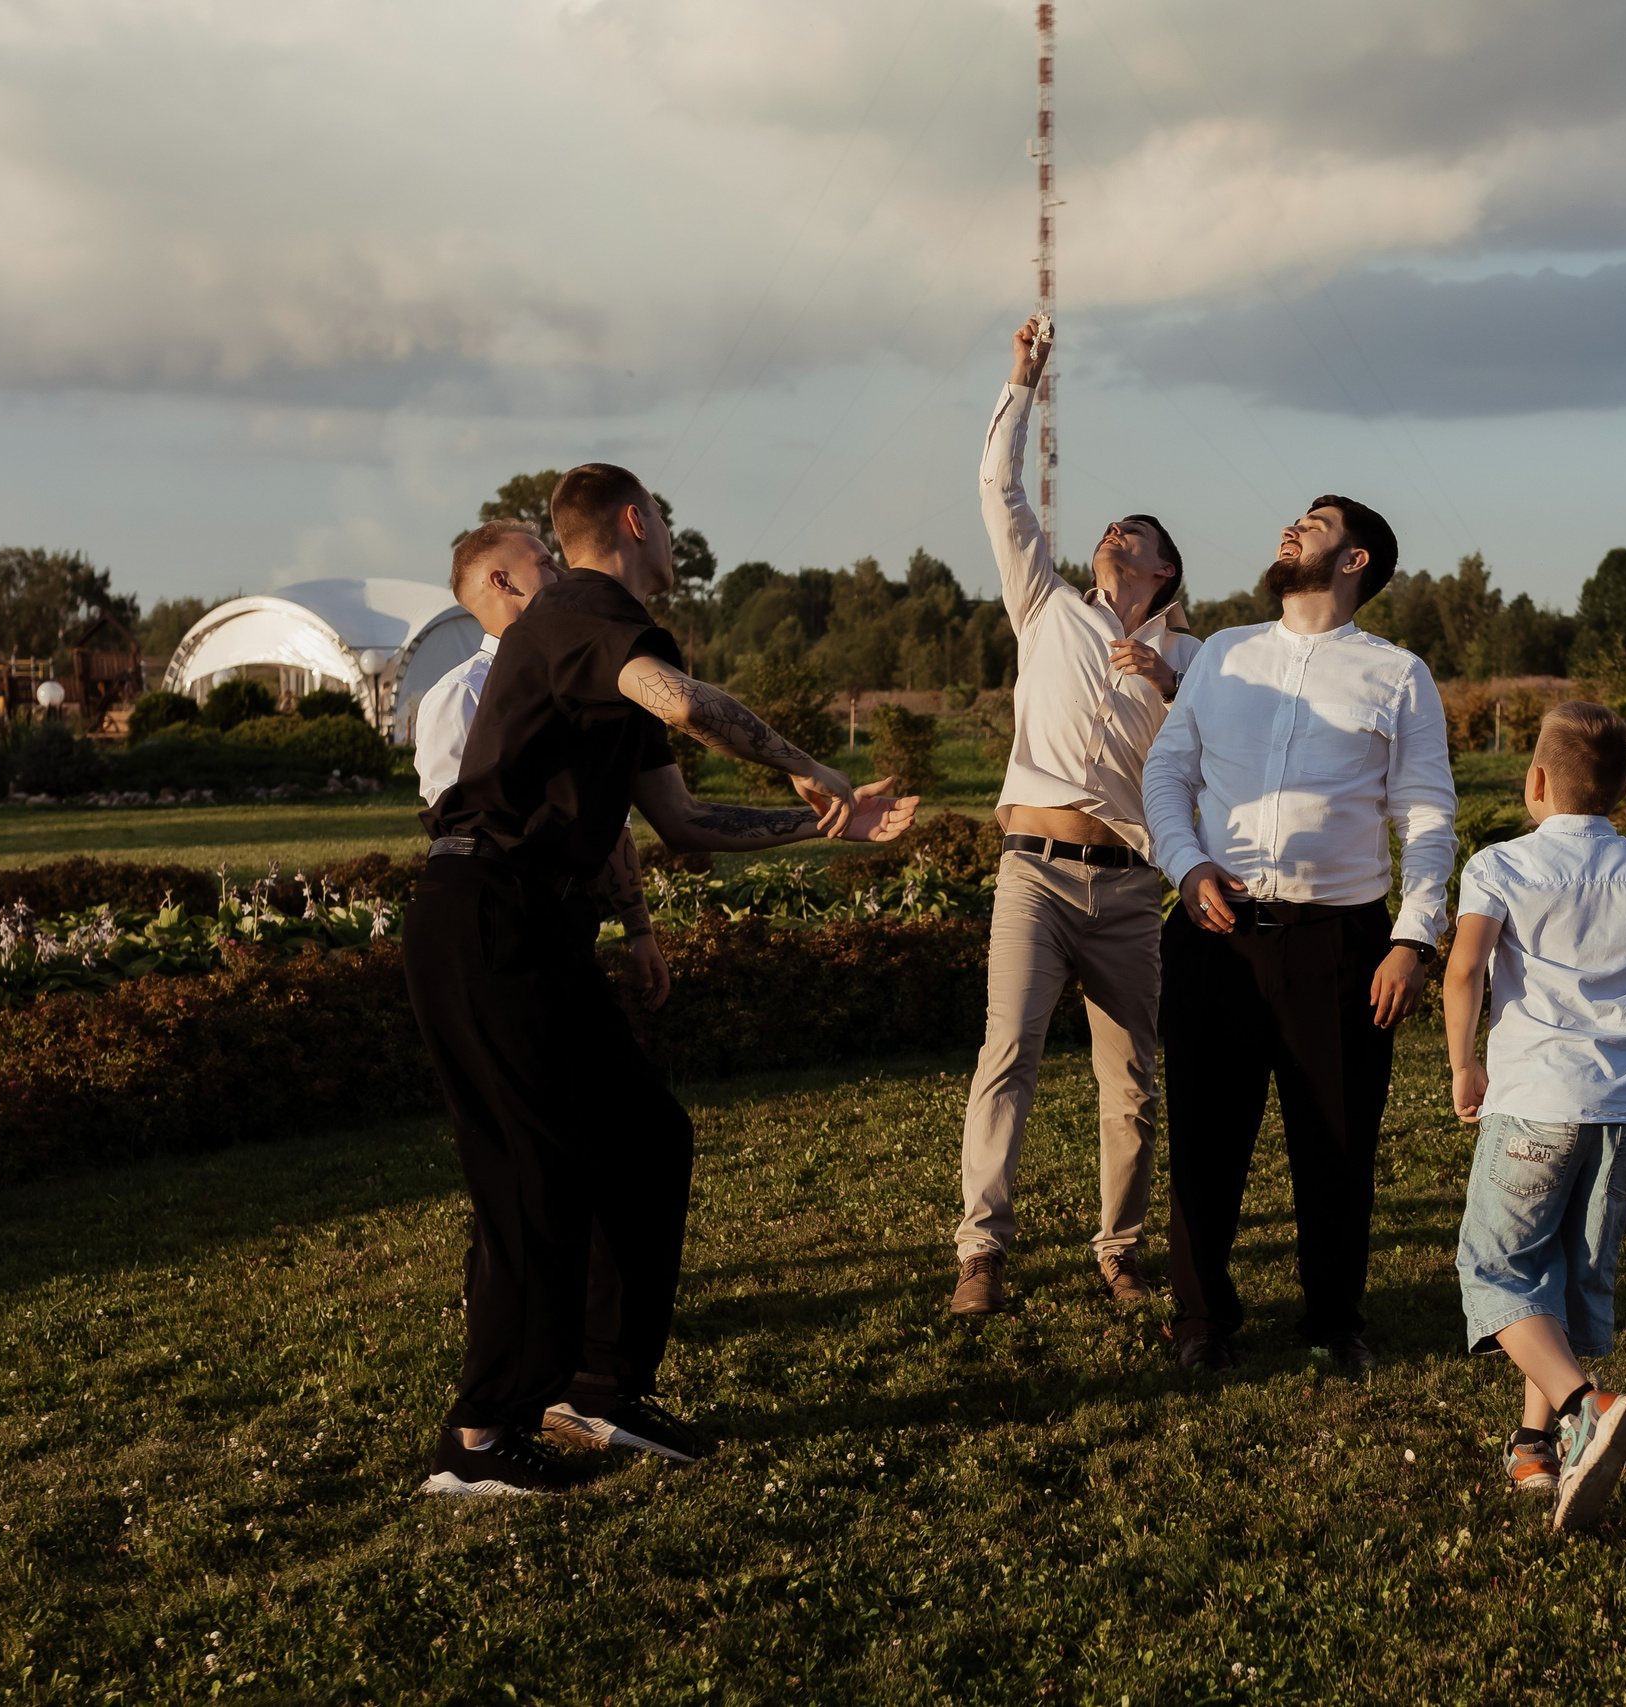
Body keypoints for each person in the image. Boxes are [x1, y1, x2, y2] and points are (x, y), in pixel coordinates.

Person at [408, 463, 918, 1497]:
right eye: (667, 523)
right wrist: (810, 769)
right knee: (532, 1174)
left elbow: (682, 824)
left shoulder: (591, 645)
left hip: (535, 924)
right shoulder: (583, 611)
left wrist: (823, 826)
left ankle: (598, 1388)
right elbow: (682, 702)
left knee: (646, 1138)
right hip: (484, 915)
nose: (674, 541)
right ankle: (478, 1436)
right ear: (638, 522)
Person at [1142, 496, 1457, 1374]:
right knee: (1205, 1135)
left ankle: (1333, 1319)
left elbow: (1427, 815)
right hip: (1215, 930)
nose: (1293, 526)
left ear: (1356, 560)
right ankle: (1202, 1320)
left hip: (1343, 944)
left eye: (1317, 522)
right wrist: (1187, 864)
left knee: (1338, 1138)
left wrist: (1414, 937)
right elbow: (1167, 769)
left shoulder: (1398, 674)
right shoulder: (1224, 656)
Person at [950, 315, 1202, 1318]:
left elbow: (1222, 750)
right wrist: (1020, 383)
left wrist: (1171, 681)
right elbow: (998, 495)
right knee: (1005, 1054)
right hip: (1034, 873)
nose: (1114, 536)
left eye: (1134, 537)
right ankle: (981, 1256)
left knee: (1132, 1086)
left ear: (1163, 574)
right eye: (1109, 530)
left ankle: (1121, 1252)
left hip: (1131, 893)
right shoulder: (1045, 608)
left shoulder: (1196, 658)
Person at [1441, 700, 1626, 1531]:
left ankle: (1584, 1403)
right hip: (1623, 1108)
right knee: (1556, 1265)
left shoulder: (1500, 865)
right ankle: (1536, 1443)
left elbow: (1464, 971)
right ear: (1622, 794)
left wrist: (1464, 1063)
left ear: (1535, 781)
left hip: (1534, 1100)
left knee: (1491, 1267)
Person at [417, 518, 668, 1012]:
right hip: (502, 922)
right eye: (546, 563)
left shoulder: (582, 678)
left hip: (563, 916)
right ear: (501, 581)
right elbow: (461, 831)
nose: (562, 573)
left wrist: (640, 932)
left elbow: (612, 818)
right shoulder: (460, 695)